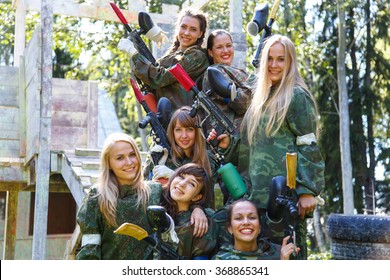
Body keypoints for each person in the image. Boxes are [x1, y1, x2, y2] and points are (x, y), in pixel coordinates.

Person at [209, 35, 325, 259]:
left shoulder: (296, 96)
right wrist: (228, 144)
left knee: (288, 261)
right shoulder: (260, 98)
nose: (274, 65)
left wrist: (308, 190)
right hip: (253, 199)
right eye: (269, 59)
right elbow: (250, 146)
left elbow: (309, 144)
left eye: (281, 59)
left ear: (290, 62)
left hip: (282, 200)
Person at [76, 132, 207, 260]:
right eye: (119, 158)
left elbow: (182, 194)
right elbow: (90, 250)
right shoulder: (97, 196)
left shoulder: (154, 190)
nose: (129, 162)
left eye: (132, 155)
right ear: (109, 163)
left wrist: (198, 208)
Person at [118, 9, 209, 109]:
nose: (186, 33)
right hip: (167, 117)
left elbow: (160, 78)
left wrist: (134, 54)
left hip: (183, 118)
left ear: (200, 34)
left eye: (193, 29)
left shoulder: (197, 56)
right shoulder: (173, 53)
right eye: (183, 27)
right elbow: (150, 81)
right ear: (178, 27)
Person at [144, 106, 219, 208]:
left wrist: (173, 176)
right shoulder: (162, 154)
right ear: (172, 132)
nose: (184, 135)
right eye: (178, 130)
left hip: (196, 218)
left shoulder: (207, 159)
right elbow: (144, 188)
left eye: (189, 129)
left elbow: (205, 196)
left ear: (197, 131)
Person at [202, 29, 255, 135]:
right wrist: (257, 79)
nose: (225, 50)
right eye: (219, 47)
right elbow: (242, 103)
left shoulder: (232, 70)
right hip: (229, 142)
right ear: (210, 52)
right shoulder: (214, 73)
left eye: (228, 45)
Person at [161, 163, 217, 259]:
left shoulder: (199, 223)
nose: (182, 184)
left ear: (197, 197)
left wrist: (198, 208)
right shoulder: (154, 197)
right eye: (181, 177)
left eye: (192, 184)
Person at [212, 199, 299, 260]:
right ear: (230, 228)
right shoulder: (220, 260)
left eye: (252, 217)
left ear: (260, 227)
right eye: (238, 218)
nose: (246, 222)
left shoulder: (280, 253)